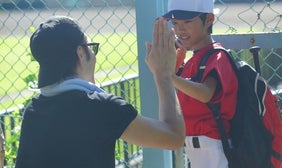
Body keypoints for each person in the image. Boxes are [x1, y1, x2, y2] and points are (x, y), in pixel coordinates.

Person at [15, 16, 185, 168]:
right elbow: (173, 137)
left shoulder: (33, 110)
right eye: (91, 47)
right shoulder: (101, 107)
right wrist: (163, 73)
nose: (94, 56)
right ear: (80, 53)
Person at [162, 0, 238, 167]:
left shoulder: (217, 56)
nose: (180, 29)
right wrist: (172, 68)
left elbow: (206, 93)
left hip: (215, 146)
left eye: (188, 21)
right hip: (196, 146)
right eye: (175, 23)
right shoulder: (192, 60)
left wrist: (170, 77)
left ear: (209, 19)